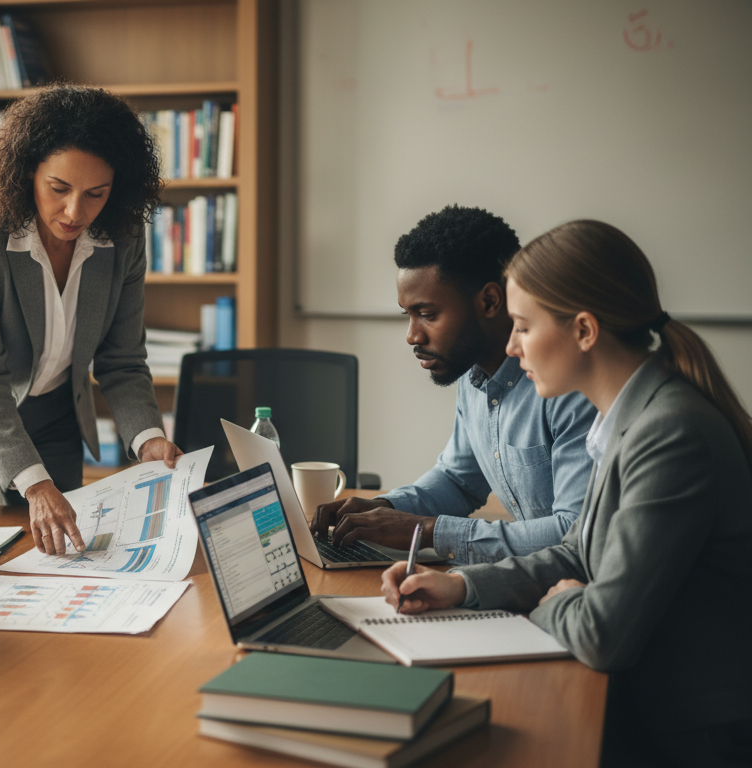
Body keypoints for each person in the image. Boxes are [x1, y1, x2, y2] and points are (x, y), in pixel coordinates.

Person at [382, 220, 752, 767]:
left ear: (583, 331)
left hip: (685, 733)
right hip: (640, 702)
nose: (511, 346)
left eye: (523, 327)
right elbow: (578, 551)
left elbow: (601, 633)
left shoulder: (669, 434)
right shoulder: (628, 418)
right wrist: (461, 586)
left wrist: (557, 601)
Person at [0, 84, 183, 555]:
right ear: (27, 172)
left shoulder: (124, 240)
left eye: (96, 193)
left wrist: (148, 440)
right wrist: (35, 485)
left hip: (53, 409)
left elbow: (122, 360)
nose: (75, 211)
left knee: (63, 552)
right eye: (59, 188)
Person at [311, 205, 596, 564]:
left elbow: (574, 533)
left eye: (427, 315)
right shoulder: (472, 375)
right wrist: (384, 508)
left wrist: (428, 531)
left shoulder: (568, 386)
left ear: (489, 301)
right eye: (409, 315)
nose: (413, 336)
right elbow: (459, 481)